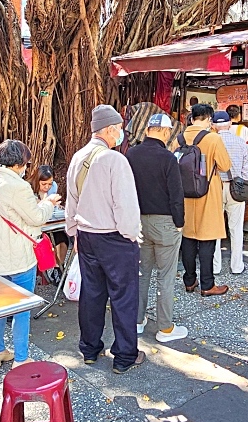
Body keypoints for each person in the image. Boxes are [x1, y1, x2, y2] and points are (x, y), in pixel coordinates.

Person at [65, 104, 144, 374]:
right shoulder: (114, 160)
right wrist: (131, 235)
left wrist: (73, 233)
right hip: (114, 239)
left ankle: (89, 349)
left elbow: (70, 203)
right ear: (110, 129)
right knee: (123, 296)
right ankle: (124, 356)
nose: (121, 133)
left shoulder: (78, 157)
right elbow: (126, 206)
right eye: (120, 129)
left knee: (92, 293)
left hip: (86, 237)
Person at [0, 140, 60, 370]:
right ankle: (21, 358)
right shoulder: (19, 186)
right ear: (19, 163)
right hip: (18, 257)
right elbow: (37, 218)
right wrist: (49, 202)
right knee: (21, 309)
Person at [126, 113, 188, 342]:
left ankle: (137, 320)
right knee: (166, 276)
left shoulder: (131, 154)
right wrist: (179, 223)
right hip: (165, 222)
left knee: (141, 273)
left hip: (139, 221)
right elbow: (176, 195)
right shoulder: (168, 158)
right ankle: (165, 328)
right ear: (164, 132)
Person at [178, 105, 232, 297]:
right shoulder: (213, 138)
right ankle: (207, 285)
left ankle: (190, 281)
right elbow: (225, 165)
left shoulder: (179, 138)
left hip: (184, 195)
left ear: (192, 119)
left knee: (188, 239)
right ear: (209, 120)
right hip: (207, 194)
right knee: (207, 241)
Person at [212, 111, 248, 276]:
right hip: (236, 188)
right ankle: (237, 266)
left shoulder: (211, 142)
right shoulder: (240, 142)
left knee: (214, 229)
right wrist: (242, 183)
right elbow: (247, 169)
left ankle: (215, 267)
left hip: (215, 188)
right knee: (236, 229)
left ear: (214, 126)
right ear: (230, 124)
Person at [35, 165, 67, 274]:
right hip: (37, 227)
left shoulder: (53, 187)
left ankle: (58, 268)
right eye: (44, 184)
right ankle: (55, 269)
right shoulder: (29, 189)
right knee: (51, 240)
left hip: (52, 223)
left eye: (50, 183)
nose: (47, 187)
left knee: (62, 239)